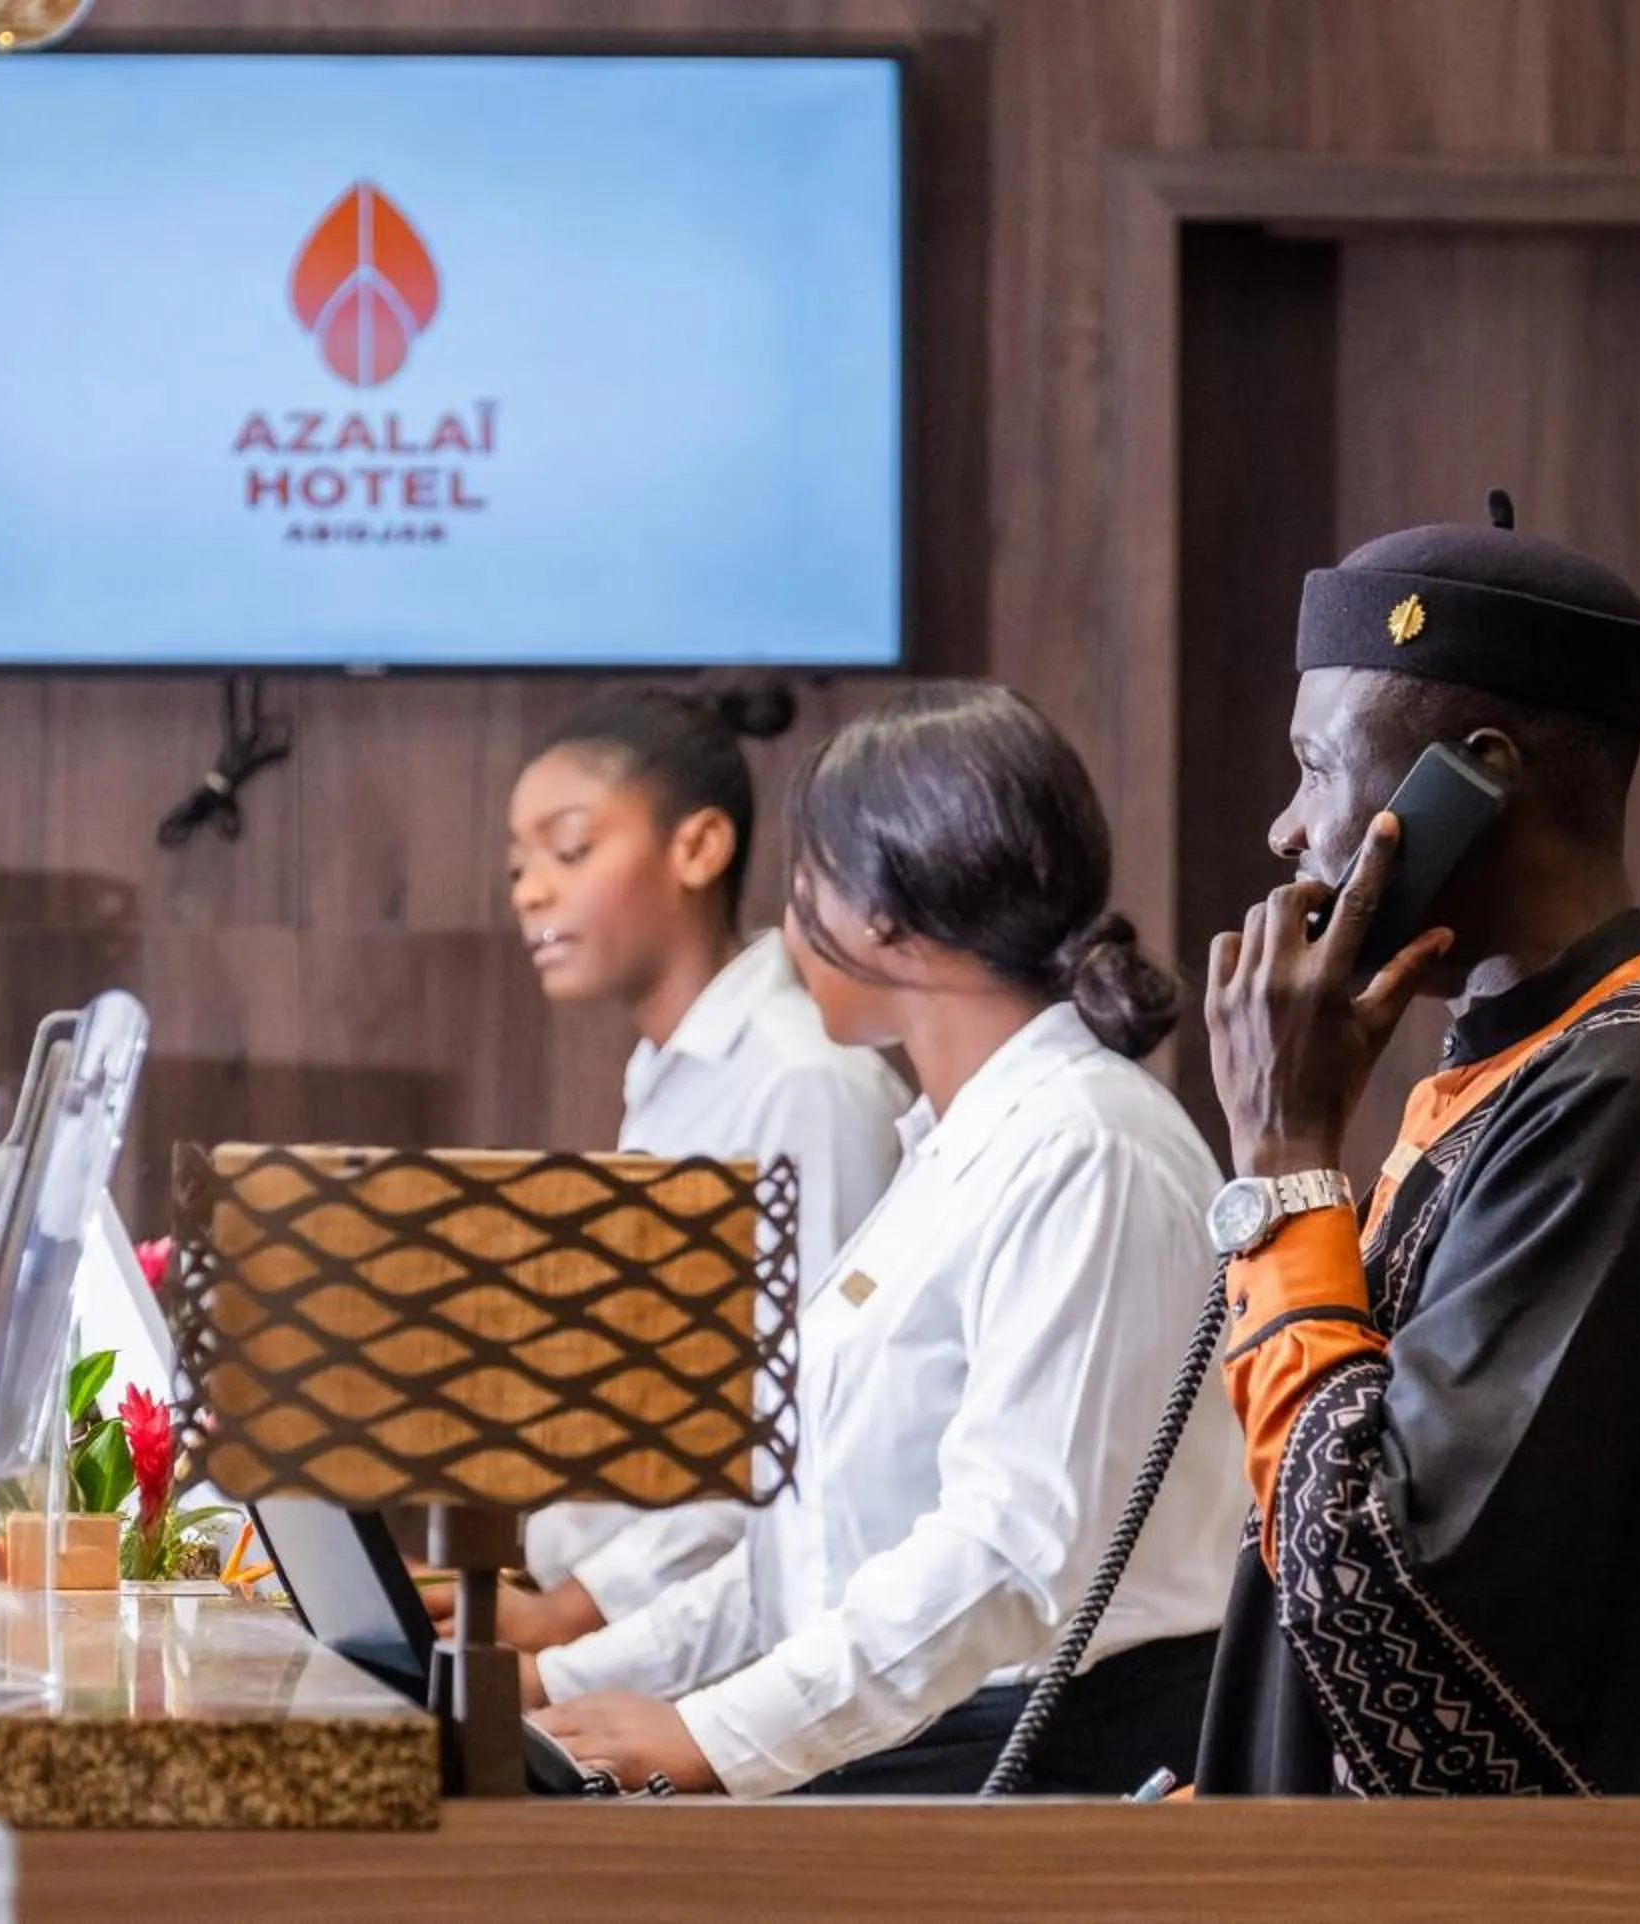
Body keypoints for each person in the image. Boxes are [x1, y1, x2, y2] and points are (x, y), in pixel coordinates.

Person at [1193, 492, 1640, 1796]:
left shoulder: (1636, 1089)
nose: (1285, 830)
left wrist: (1287, 1158)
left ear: (1472, 777)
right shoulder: (1501, 1074)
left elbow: (1377, 1585)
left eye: (1317, 768)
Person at [526, 683, 1248, 1796]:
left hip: (1041, 1756)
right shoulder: (958, 1141)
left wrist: (714, 1733)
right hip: (918, 1726)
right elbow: (808, 1558)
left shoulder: (1085, 1145)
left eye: (804, 886)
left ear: (885, 911)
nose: (788, 932)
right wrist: (565, 1677)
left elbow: (1004, 1556)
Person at [491, 683, 911, 1650]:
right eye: (518, 866)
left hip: (726, 1651)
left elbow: (800, 1435)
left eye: (569, 849)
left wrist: (572, 1614)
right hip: (616, 1620)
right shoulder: (675, 1075)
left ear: (699, 846)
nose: (530, 891)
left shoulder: (802, 1080)